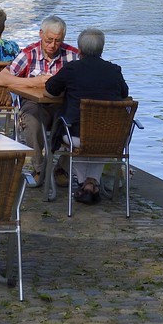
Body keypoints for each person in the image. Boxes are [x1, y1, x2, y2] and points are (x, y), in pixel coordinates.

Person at [44, 29, 129, 205]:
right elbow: (124, 92)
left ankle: (84, 183)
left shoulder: (72, 69)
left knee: (79, 134)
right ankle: (91, 183)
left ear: (79, 50)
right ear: (102, 50)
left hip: (76, 135)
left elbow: (51, 88)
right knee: (100, 138)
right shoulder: (114, 70)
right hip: (111, 136)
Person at [0, 16, 80, 172]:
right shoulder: (29, 53)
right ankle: (39, 167)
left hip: (62, 105)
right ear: (41, 34)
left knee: (78, 120)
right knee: (32, 119)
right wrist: (33, 82)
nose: (53, 45)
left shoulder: (73, 55)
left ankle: (62, 168)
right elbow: (0, 79)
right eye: (49, 40)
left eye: (58, 41)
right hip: (34, 104)